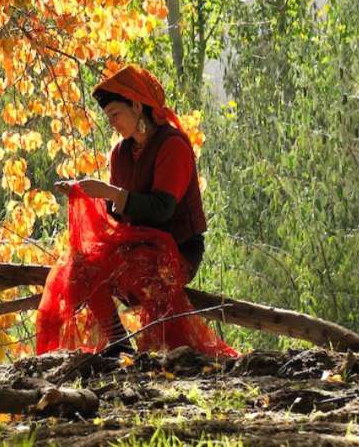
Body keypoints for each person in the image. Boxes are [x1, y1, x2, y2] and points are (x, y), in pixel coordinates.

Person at [35, 64, 235, 358]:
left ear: (138, 106)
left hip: (178, 250)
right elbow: (118, 215)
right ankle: (118, 341)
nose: (112, 123)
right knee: (79, 265)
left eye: (115, 114)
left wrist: (111, 193)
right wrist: (85, 194)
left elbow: (162, 209)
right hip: (134, 246)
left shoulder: (173, 145)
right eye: (108, 118)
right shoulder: (120, 153)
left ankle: (159, 350)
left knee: (136, 265)